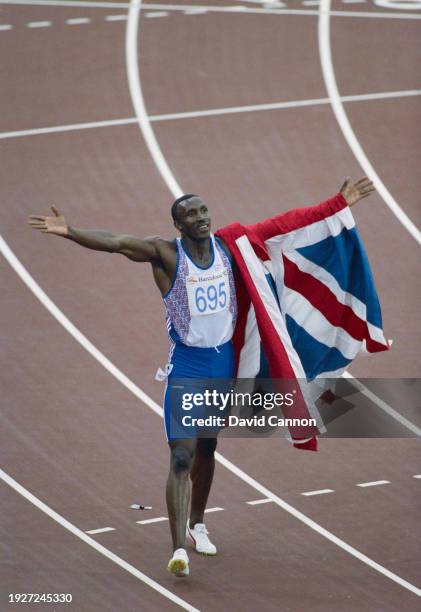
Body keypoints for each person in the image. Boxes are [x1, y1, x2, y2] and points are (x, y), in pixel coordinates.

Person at [28, 177, 375, 577]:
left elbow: (283, 224)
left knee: (207, 450)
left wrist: (336, 203)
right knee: (181, 456)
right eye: (190, 214)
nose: (200, 218)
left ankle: (197, 525)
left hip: (223, 367)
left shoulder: (231, 247)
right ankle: (178, 550)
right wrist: (70, 232)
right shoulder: (165, 253)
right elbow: (117, 242)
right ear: (179, 225)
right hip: (188, 368)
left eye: (203, 210)